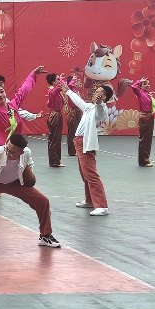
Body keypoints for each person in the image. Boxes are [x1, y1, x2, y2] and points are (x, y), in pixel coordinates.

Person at [62, 80, 111, 216]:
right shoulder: (89, 107)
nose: (96, 94)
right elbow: (79, 101)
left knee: (91, 174)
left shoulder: (102, 109)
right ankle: (89, 200)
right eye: (96, 92)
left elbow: (100, 110)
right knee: (85, 173)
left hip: (85, 143)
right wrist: (68, 90)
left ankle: (102, 206)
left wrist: (100, 102)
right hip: (78, 141)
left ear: (104, 97)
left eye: (99, 93)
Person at [0, 66, 45, 147]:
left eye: (1, 91)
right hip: (4, 149)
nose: (0, 95)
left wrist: (32, 74)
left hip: (18, 147)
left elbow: (23, 90)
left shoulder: (13, 105)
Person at [123, 77, 155, 167]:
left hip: (150, 116)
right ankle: (143, 161)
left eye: (148, 84)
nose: (147, 85)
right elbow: (133, 87)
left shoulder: (147, 94)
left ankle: (146, 159)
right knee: (144, 139)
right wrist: (139, 81)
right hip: (145, 116)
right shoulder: (140, 93)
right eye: (145, 84)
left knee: (148, 139)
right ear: (141, 86)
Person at [45, 73, 70, 168]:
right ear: (53, 82)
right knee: (54, 139)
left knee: (57, 138)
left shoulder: (54, 91)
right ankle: (54, 161)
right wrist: (62, 80)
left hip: (56, 114)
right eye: (57, 79)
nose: (59, 81)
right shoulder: (53, 91)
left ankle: (56, 160)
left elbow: (48, 103)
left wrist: (61, 79)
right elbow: (60, 86)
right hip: (55, 115)